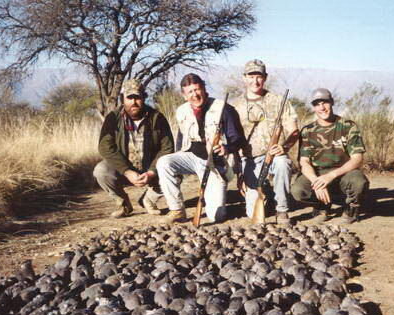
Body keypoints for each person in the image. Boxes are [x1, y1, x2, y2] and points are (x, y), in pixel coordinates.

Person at [156, 73, 245, 224]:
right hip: (191, 157)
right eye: (190, 92)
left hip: (215, 164)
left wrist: (227, 148)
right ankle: (177, 210)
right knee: (164, 162)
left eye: (197, 89)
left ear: (204, 89)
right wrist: (178, 162)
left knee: (216, 216)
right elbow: (181, 137)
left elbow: (238, 138)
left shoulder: (224, 108)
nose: (195, 95)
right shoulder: (182, 111)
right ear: (184, 95)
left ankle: (223, 202)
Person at [93, 79, 174, 218]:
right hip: (125, 170)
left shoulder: (157, 118)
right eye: (129, 98)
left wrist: (152, 172)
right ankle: (123, 204)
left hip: (149, 169)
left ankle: (148, 199)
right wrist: (126, 171)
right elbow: (105, 147)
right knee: (101, 171)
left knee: (175, 170)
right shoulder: (113, 118)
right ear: (122, 99)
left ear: (144, 98)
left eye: (138, 97)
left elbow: (167, 148)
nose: (134, 102)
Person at [232, 59, 299, 224]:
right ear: (244, 78)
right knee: (252, 213)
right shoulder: (235, 105)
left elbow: (294, 131)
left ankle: (282, 210)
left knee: (283, 163)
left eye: (259, 76)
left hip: (274, 156)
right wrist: (239, 173)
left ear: (265, 77)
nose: (255, 81)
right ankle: (266, 193)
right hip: (249, 160)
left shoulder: (278, 100)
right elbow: (232, 142)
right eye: (251, 76)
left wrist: (284, 147)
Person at [291, 88, 369, 223]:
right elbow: (304, 162)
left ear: (332, 102)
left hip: (343, 172)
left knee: (358, 182)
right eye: (317, 104)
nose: (322, 107)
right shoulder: (307, 130)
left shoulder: (348, 126)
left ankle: (351, 208)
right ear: (313, 107)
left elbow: (357, 159)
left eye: (325, 102)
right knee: (298, 190)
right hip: (318, 173)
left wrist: (331, 176)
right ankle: (321, 207)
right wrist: (316, 182)